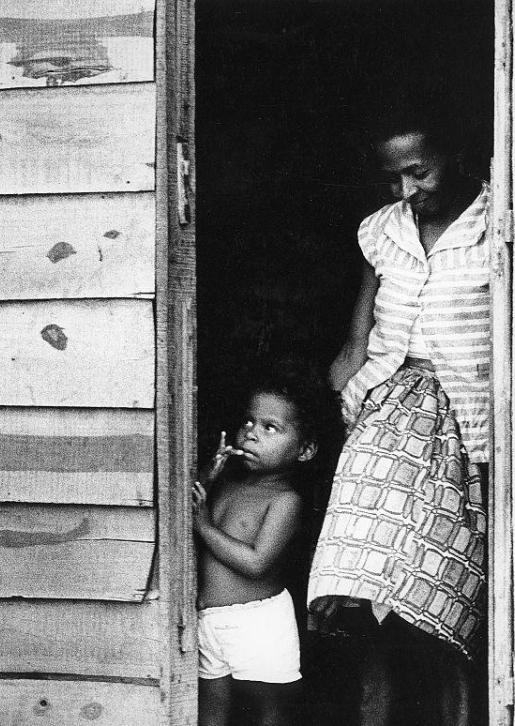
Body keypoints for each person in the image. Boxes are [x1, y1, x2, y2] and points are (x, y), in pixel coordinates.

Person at [307, 98, 489, 726]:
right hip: (389, 406)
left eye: (420, 172)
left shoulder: (501, 221)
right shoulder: (380, 229)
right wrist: (337, 392)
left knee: (445, 590)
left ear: (458, 158)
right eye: (393, 178)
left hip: (473, 416)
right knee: (360, 580)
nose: (406, 190)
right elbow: (359, 333)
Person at [194, 364, 332, 726]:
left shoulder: (285, 499)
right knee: (211, 710)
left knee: (269, 711)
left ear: (304, 450)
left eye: (270, 428)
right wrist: (210, 471)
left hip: (258, 622)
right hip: (210, 620)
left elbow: (257, 562)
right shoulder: (228, 483)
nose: (251, 434)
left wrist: (203, 526)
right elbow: (194, 497)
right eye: (249, 423)